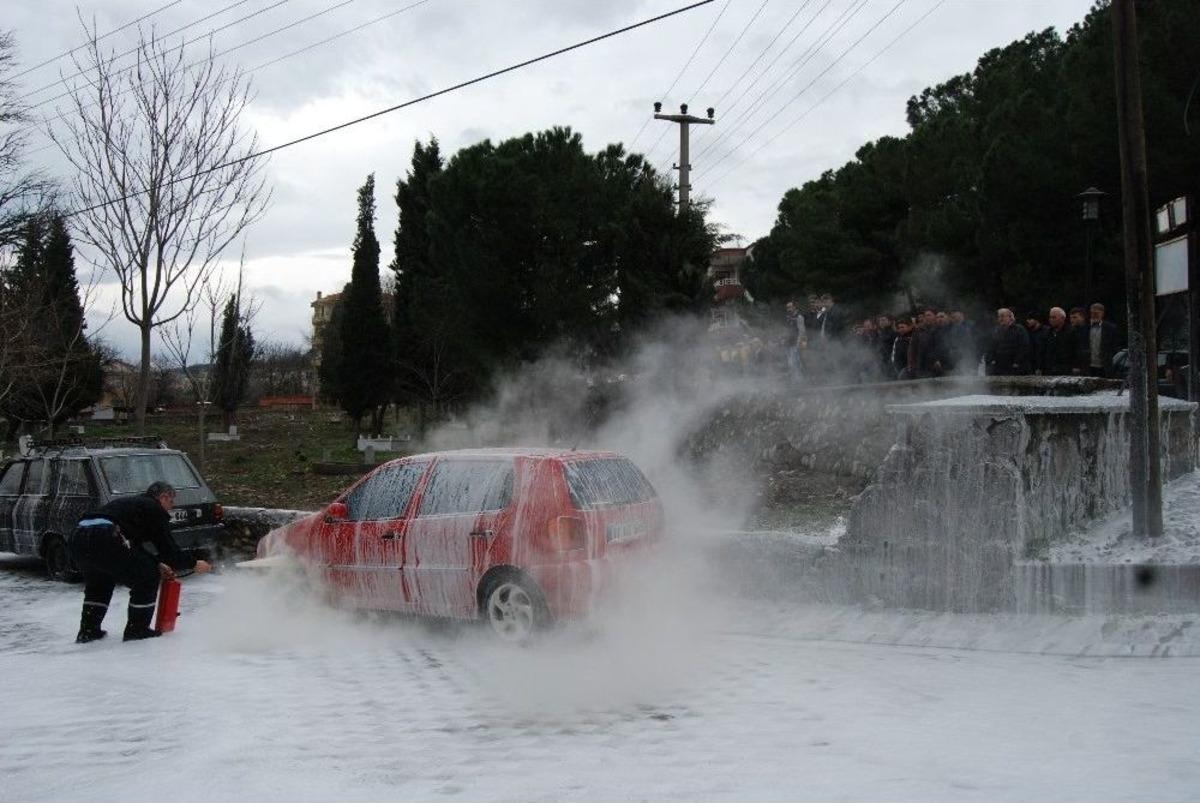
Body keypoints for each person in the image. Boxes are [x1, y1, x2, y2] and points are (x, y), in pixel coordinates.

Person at [69, 482, 212, 643]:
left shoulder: (133, 505)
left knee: (100, 581)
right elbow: (169, 551)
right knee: (147, 576)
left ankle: (88, 631)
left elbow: (131, 546)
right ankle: (137, 630)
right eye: (171, 502)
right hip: (105, 535)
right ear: (164, 497)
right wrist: (194, 563)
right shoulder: (153, 508)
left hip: (78, 537)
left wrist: (156, 562)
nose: (171, 508)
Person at [1078, 302, 1121, 377]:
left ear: (1102, 313)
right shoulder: (1084, 328)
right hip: (1088, 366)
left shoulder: (1110, 328)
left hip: (1105, 366)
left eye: (1097, 313)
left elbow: (1115, 345)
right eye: (1092, 313)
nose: (1094, 315)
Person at [985, 307, 1031, 375]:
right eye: (999, 317)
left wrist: (1017, 362)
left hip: (1014, 367)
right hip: (999, 367)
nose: (1000, 319)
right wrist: (990, 360)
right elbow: (991, 347)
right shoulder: (996, 330)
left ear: (1010, 317)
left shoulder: (1019, 330)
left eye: (1003, 316)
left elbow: (1024, 346)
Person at [1039, 306, 1078, 376]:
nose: (1051, 320)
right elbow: (1042, 351)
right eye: (1050, 317)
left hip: (1065, 370)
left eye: (1054, 317)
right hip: (1048, 371)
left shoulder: (1072, 332)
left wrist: (1075, 366)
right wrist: (1040, 367)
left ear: (1062, 318)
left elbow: (1076, 351)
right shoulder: (1047, 333)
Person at [784, 300, 808, 384]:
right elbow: (787, 331)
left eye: (790, 307)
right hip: (788, 344)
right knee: (790, 364)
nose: (788, 309)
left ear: (794, 307)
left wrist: (799, 344)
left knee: (796, 364)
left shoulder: (799, 317)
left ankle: (800, 382)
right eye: (787, 307)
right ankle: (794, 381)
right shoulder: (788, 317)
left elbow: (802, 331)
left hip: (795, 344)